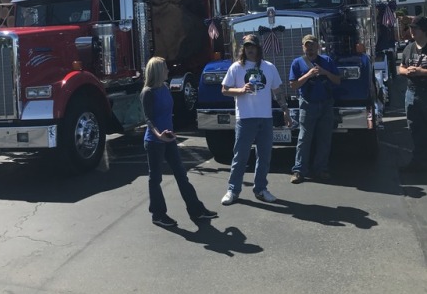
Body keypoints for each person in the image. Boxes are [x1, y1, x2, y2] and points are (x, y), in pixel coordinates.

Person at [141, 56, 218, 227]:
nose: (168, 71)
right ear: (157, 71)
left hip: (169, 138)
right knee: (155, 179)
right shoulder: (148, 92)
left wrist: (170, 132)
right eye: (165, 68)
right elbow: (148, 119)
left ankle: (196, 210)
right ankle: (158, 215)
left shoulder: (165, 88)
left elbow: (168, 114)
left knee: (181, 175)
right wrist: (158, 134)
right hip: (154, 141)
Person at [220, 34, 292, 205]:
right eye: (247, 47)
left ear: (259, 48)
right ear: (243, 49)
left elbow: (278, 91)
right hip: (245, 118)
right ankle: (233, 190)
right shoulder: (236, 68)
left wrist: (286, 111)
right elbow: (224, 90)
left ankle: (260, 188)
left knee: (265, 156)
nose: (250, 49)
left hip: (265, 118)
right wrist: (241, 90)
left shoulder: (269, 67)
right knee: (241, 156)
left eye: (253, 46)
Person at [289, 35, 341, 184]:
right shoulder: (297, 63)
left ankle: (321, 169)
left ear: (318, 46)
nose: (310, 48)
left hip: (326, 104)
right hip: (307, 104)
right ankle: (299, 171)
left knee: (324, 138)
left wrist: (325, 73)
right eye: (307, 45)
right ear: (303, 47)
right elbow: (293, 85)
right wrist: (308, 75)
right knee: (304, 139)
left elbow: (337, 80)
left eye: (312, 45)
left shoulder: (327, 61)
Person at [398, 16, 427, 171]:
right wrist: (407, 71)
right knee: (415, 128)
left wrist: (421, 71)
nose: (411, 31)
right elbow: (400, 67)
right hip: (412, 92)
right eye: (411, 28)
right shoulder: (409, 48)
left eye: (415, 28)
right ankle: (418, 162)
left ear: (423, 30)